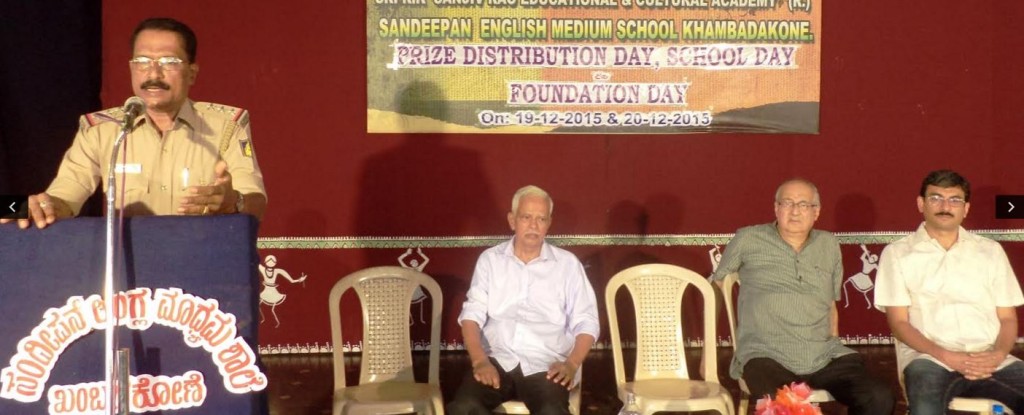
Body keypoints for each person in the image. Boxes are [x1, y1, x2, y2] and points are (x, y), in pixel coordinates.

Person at [1, 17, 265, 230]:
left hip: (201, 261)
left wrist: (233, 202)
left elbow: (257, 203)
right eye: (142, 62)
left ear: (192, 73)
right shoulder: (102, 131)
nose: (153, 74)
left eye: (169, 62)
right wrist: (20, 207)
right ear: (131, 68)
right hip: (127, 267)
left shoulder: (226, 126)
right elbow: (62, 200)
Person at [711, 178, 894, 414]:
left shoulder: (828, 244)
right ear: (776, 208)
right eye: (787, 203)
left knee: (878, 397)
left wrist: (833, 339)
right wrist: (708, 352)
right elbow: (716, 285)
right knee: (782, 405)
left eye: (804, 204)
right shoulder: (748, 238)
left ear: (816, 212)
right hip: (765, 354)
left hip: (822, 355)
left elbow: (830, 304)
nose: (795, 211)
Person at [874, 169, 1024, 413]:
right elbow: (899, 324)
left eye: (955, 200)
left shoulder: (990, 251)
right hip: (930, 360)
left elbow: (1008, 318)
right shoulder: (898, 253)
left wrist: (997, 355)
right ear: (921, 204)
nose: (945, 206)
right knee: (926, 407)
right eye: (936, 198)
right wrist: (946, 356)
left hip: (991, 359)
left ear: (966, 209)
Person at [447, 185, 600, 415]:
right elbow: (471, 315)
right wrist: (479, 361)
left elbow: (587, 321)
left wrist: (571, 364)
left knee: (552, 410)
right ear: (512, 220)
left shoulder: (568, 265)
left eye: (541, 219)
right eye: (526, 217)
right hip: (497, 358)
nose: (533, 226)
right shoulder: (490, 260)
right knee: (463, 407)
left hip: (547, 364)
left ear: (549, 224)